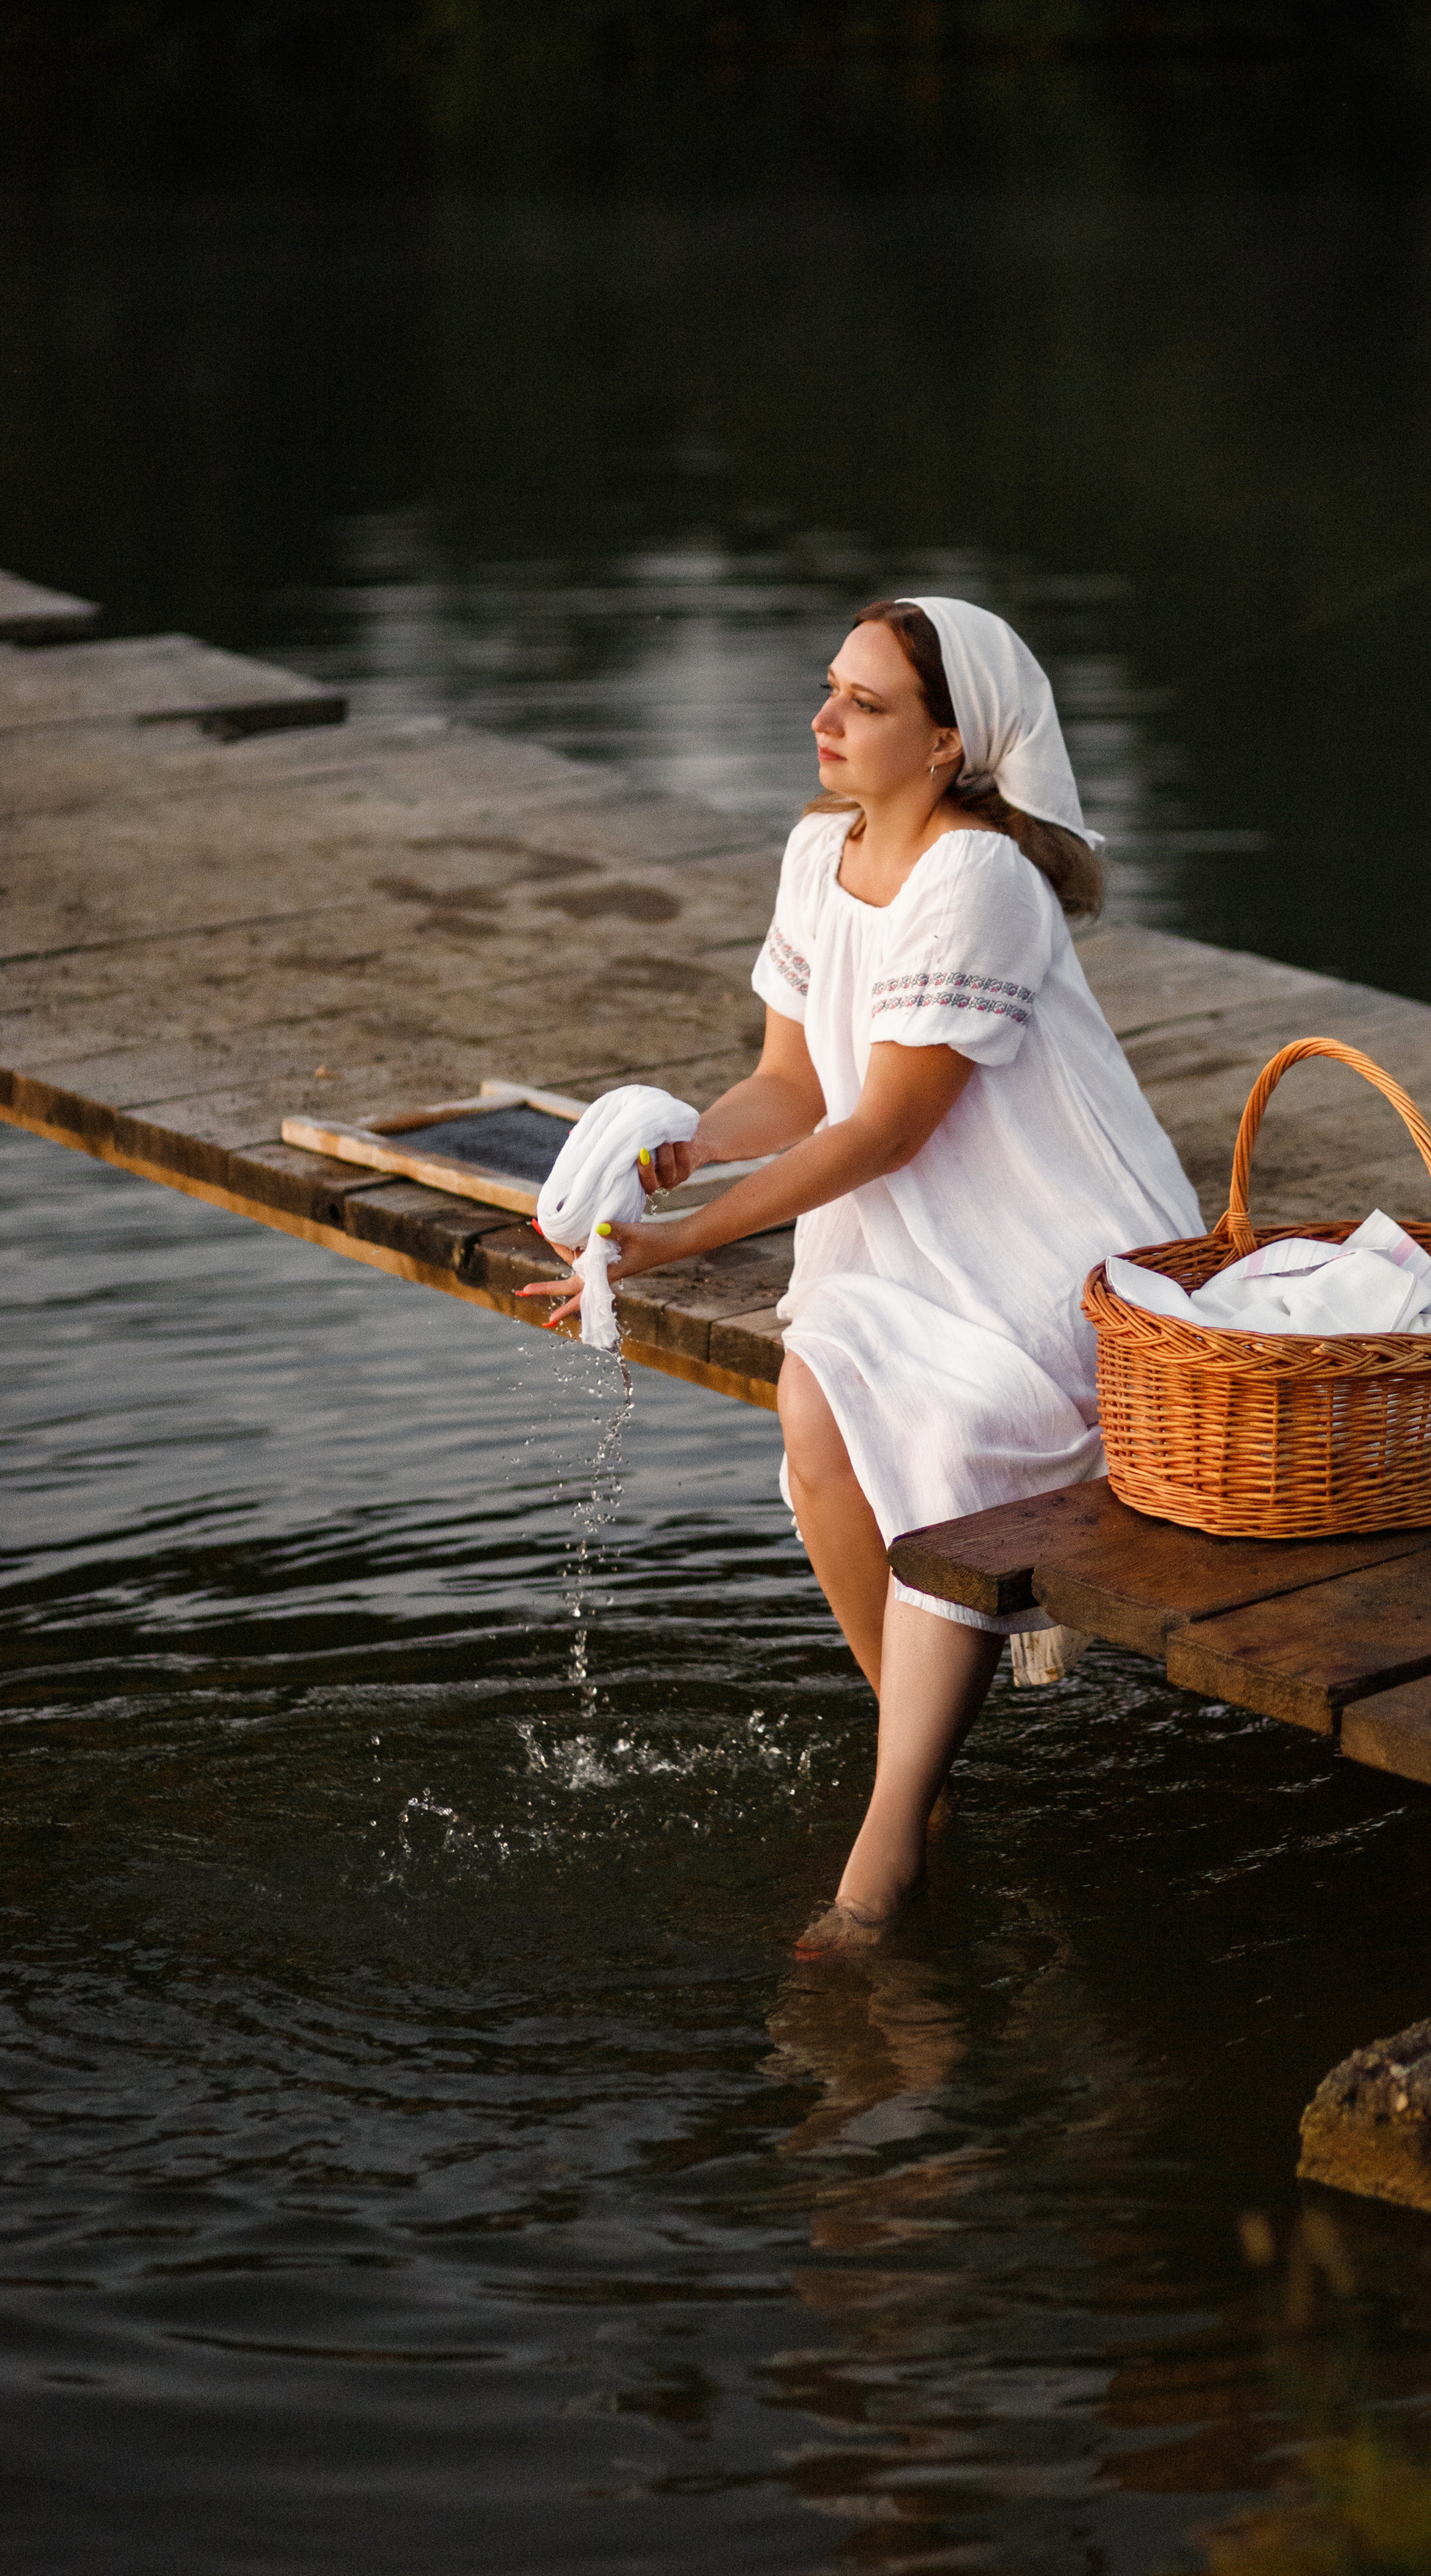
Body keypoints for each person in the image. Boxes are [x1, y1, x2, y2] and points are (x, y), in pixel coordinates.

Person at [523, 598, 1202, 1953]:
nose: (822, 720)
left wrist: (682, 1245)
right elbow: (793, 1085)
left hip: (1048, 1246)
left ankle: (884, 1858)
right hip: (902, 1235)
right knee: (812, 1399)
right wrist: (678, 1158)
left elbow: (888, 1127)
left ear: (948, 745)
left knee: (952, 1425)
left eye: (865, 703)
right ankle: (918, 1772)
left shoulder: (981, 879)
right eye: (830, 688)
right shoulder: (815, 850)